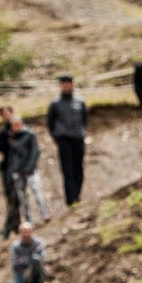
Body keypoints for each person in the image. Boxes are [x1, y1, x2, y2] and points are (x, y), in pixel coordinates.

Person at [0, 108, 47, 235]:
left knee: (37, 192)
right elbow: (7, 155)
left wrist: (29, 167)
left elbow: (34, 152)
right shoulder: (8, 138)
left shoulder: (29, 135)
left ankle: (44, 214)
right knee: (22, 199)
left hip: (30, 170)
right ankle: (27, 221)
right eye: (14, 125)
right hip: (17, 173)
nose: (16, 127)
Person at [46, 76, 88, 206]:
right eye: (64, 84)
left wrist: (81, 132)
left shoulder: (80, 102)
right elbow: (50, 123)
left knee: (79, 169)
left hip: (78, 139)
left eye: (69, 83)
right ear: (60, 85)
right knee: (67, 171)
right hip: (64, 141)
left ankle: (77, 196)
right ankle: (71, 200)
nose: (67, 86)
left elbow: (84, 120)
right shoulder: (55, 104)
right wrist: (57, 138)